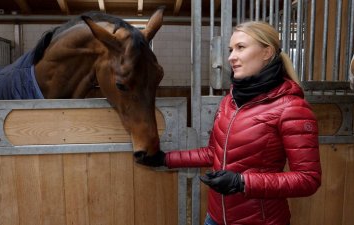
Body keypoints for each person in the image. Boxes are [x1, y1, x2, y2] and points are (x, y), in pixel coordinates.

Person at [136, 21, 321, 225]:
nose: (231, 57)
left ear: (267, 52)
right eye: (231, 49)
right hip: (215, 218)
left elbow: (308, 179)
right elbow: (212, 153)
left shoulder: (291, 107)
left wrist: (242, 182)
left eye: (241, 48)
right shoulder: (229, 101)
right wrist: (164, 159)